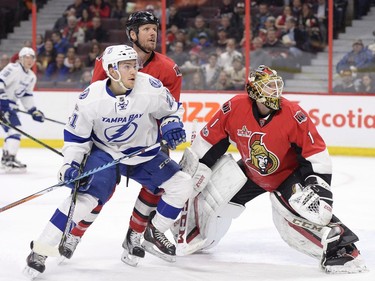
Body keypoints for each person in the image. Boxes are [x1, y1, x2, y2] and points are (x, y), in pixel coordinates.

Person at [174, 65, 367, 274]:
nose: (274, 92)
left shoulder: (294, 114)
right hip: (252, 172)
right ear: (254, 91)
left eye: (276, 86)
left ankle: (343, 249)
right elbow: (210, 140)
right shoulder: (235, 108)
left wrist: (316, 184)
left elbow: (315, 153)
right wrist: (194, 167)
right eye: (268, 87)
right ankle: (201, 236)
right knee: (213, 198)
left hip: (287, 175)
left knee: (291, 221)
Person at [24, 44, 193, 278]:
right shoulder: (91, 97)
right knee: (85, 199)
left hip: (143, 154)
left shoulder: (151, 87)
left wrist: (171, 124)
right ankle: (40, 250)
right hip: (106, 154)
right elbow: (76, 137)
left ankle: (153, 232)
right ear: (112, 70)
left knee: (182, 183)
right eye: (126, 66)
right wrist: (70, 165)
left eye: (134, 65)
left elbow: (171, 110)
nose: (134, 71)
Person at [65, 11, 183, 266]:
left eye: (155, 28)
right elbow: (97, 101)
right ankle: (73, 235)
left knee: (158, 186)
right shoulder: (108, 61)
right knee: (98, 190)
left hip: (146, 141)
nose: (153, 33)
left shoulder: (168, 69)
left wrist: (171, 125)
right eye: (146, 29)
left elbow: (170, 110)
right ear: (132, 34)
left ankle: (135, 236)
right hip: (109, 142)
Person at [0, 47, 45, 171]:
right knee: (15, 130)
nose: (29, 60)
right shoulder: (12, 68)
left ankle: (7, 159)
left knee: (14, 131)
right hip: (2, 104)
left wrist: (33, 111)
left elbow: (26, 95)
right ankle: (8, 159)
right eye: (26, 57)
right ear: (20, 58)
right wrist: (2, 100)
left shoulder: (31, 76)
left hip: (9, 106)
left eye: (32, 57)